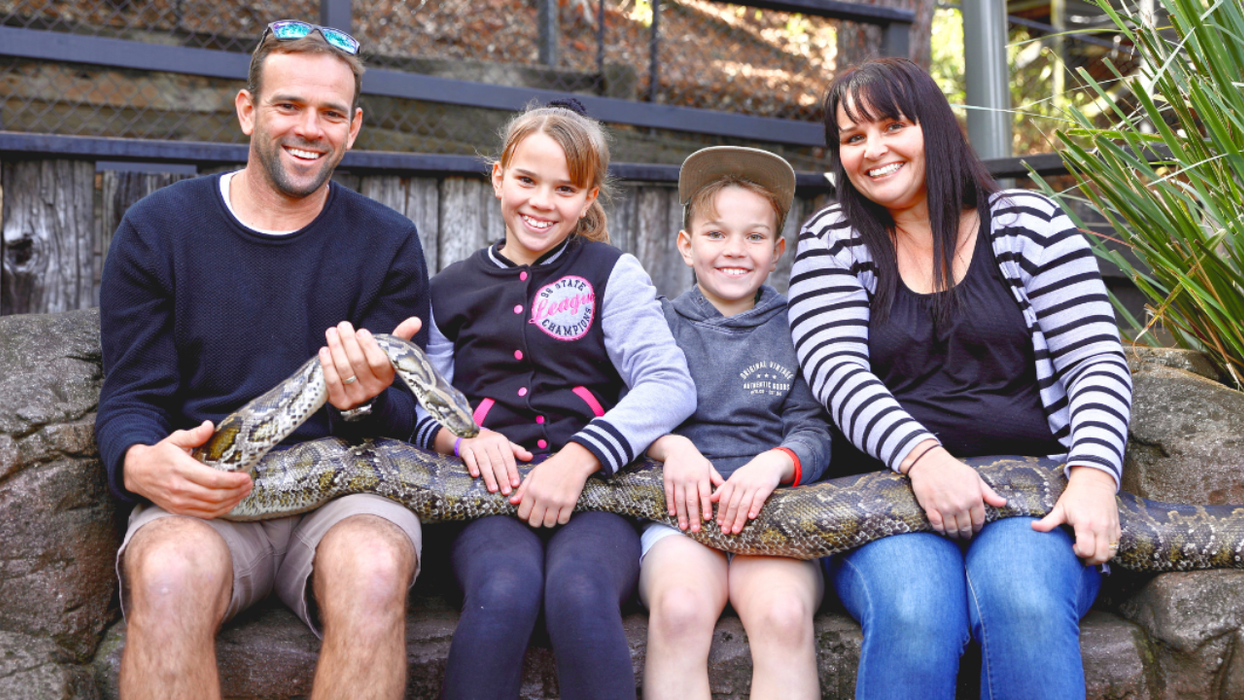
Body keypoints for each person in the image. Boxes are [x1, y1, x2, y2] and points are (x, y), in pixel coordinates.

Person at [95, 21, 431, 700]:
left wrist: (363, 402)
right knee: (167, 575)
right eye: (288, 106)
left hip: (347, 492)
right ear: (248, 110)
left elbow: (404, 417)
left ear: (353, 128)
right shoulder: (158, 229)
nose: (309, 129)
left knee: (373, 569)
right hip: (208, 492)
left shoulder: (389, 242)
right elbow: (131, 394)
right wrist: (136, 462)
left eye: (331, 113)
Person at [787, 58, 1133, 699]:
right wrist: (923, 458)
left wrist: (1093, 474)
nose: (873, 149)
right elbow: (835, 369)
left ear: (937, 127)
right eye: (853, 137)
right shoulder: (833, 238)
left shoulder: (1030, 223)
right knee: (917, 612)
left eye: (893, 125)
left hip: (1033, 493)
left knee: (1023, 600)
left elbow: (1095, 360)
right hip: (884, 495)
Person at [410, 99, 696, 700]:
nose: (542, 201)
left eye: (565, 188)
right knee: (503, 590)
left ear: (588, 198)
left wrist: (580, 456)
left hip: (598, 496)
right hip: (486, 498)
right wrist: (461, 438)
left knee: (580, 591)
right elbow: (421, 398)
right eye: (527, 180)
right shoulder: (448, 290)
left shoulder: (613, 273)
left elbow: (668, 383)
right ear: (498, 177)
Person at [638, 146, 831, 700]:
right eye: (716, 233)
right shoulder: (658, 323)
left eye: (754, 236)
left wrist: (776, 463)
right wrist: (672, 448)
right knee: (680, 610)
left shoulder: (798, 326)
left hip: (776, 510)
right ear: (686, 244)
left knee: (784, 614)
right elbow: (630, 414)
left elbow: (814, 430)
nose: (734, 250)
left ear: (777, 251)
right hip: (678, 514)